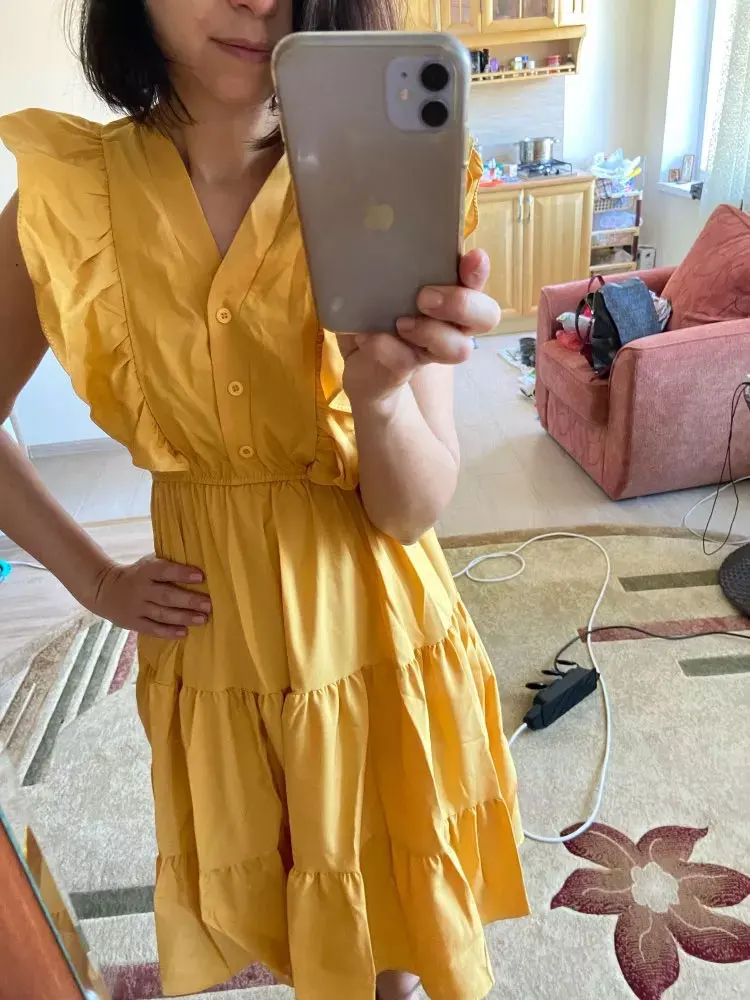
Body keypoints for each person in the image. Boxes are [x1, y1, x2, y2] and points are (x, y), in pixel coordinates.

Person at [0, 1, 528, 997]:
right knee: (288, 905)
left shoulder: (392, 178)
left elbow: (413, 508)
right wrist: (97, 581)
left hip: (378, 632)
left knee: (397, 928)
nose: (254, 0)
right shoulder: (67, 200)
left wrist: (379, 399)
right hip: (218, 653)